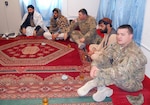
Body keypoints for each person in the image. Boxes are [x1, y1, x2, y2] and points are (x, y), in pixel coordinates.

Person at [77, 24, 147, 102]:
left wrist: (99, 72)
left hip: (131, 82)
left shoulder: (133, 53)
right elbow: (104, 56)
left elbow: (121, 73)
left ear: (130, 36)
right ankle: (102, 89)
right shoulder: (117, 45)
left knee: (116, 74)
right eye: (118, 34)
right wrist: (95, 65)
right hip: (118, 70)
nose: (119, 37)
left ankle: (93, 83)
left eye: (122, 34)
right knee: (103, 63)